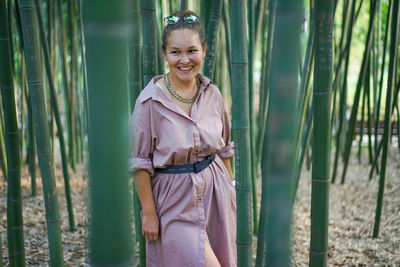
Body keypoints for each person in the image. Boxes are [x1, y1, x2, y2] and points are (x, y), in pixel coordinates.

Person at [130, 10, 236, 267]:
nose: (184, 60)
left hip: (216, 192)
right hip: (174, 200)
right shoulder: (149, 101)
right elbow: (139, 163)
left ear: (204, 50)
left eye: (191, 51)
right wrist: (149, 213)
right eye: (175, 52)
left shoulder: (213, 94)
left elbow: (224, 148)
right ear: (164, 54)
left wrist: (230, 189)